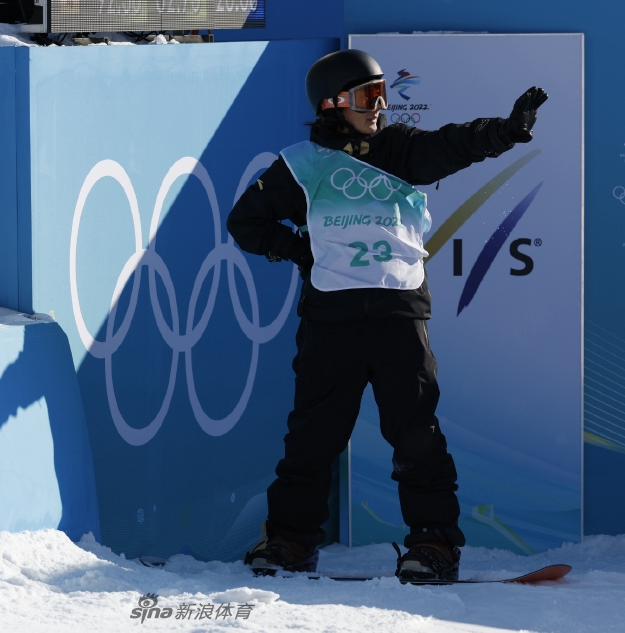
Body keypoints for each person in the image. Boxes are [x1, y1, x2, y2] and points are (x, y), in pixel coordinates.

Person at [227, 49, 547, 581]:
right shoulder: (300, 166)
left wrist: (505, 131)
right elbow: (246, 222)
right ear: (333, 105)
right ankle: (289, 541)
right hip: (332, 320)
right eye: (367, 96)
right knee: (312, 438)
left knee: (416, 435)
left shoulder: (400, 150)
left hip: (399, 315)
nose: (380, 106)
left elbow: (453, 144)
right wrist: (300, 251)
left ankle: (433, 545)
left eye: (383, 93)